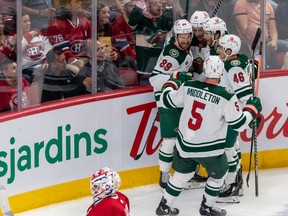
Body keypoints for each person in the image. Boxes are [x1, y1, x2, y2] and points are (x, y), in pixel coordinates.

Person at [155, 55, 262, 216]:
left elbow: (167, 99)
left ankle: (164, 205)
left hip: (185, 146)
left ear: (204, 70)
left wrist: (173, 80)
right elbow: (239, 123)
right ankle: (207, 207)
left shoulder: (188, 86)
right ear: (221, 74)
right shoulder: (226, 95)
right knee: (219, 175)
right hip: (210, 149)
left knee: (182, 175)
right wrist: (252, 111)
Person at [149, 19, 193, 189]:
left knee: (186, 137)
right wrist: (176, 77)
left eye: (187, 36)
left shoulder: (182, 48)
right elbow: (155, 79)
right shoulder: (171, 54)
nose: (185, 40)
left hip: (178, 97)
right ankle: (165, 175)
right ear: (175, 36)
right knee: (170, 139)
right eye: (181, 37)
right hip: (167, 99)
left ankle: (188, 171)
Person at [216, 34, 253, 203]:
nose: (218, 50)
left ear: (229, 50)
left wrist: (250, 111)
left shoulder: (233, 67)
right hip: (230, 112)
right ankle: (236, 181)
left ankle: (231, 187)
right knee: (233, 147)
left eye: (221, 48)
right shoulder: (240, 60)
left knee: (227, 149)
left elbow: (245, 93)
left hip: (231, 114)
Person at [128, 0, 173, 85]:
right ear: (148, 5)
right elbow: (132, 22)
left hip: (162, 69)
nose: (159, 6)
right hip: (145, 69)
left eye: (160, 3)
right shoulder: (140, 17)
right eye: (155, 4)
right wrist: (140, 6)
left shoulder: (165, 18)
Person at [233, 0, 288, 70]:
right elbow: (245, 29)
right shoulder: (241, 4)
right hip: (249, 39)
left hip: (266, 40)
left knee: (283, 46)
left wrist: (273, 41)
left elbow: (273, 29)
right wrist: (256, 37)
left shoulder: (268, 6)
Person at [47, 0, 92, 74]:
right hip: (65, 61)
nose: (80, 2)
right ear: (67, 5)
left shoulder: (86, 21)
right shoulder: (56, 24)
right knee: (76, 71)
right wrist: (78, 64)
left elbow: (91, 43)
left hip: (84, 58)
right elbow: (63, 50)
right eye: (76, 1)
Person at [19, 13, 53, 83]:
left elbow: (49, 49)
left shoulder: (38, 34)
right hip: (27, 69)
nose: (28, 23)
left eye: (29, 21)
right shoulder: (15, 37)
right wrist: (29, 35)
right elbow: (19, 47)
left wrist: (47, 59)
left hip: (42, 65)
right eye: (25, 22)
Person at [190, 10, 210, 82]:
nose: (197, 34)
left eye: (201, 30)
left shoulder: (215, 42)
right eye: (194, 30)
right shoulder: (188, 40)